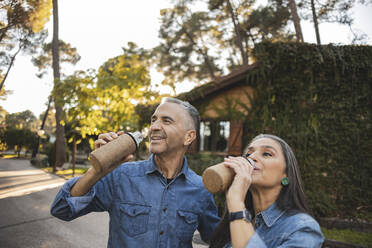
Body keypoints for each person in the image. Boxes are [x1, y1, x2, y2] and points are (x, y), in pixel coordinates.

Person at [50, 97, 220, 248]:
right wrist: (96, 171)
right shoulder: (120, 176)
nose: (154, 127)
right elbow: (62, 209)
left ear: (189, 137)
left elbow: (218, 240)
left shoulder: (201, 189)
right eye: (154, 120)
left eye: (166, 121)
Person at [209, 134, 324, 248]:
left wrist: (236, 203)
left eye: (267, 154)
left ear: (286, 175)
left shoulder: (302, 228)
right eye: (248, 154)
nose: (251, 158)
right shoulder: (231, 225)